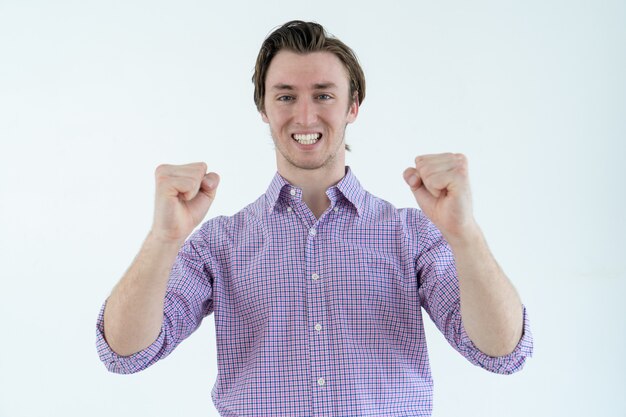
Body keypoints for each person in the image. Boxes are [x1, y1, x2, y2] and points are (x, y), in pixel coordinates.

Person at [97, 20, 533, 416]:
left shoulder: (411, 234)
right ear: (264, 110)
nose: (305, 116)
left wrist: (465, 235)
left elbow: (502, 352)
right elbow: (124, 353)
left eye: (324, 95)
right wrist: (162, 238)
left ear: (352, 107)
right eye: (286, 96)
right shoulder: (220, 243)